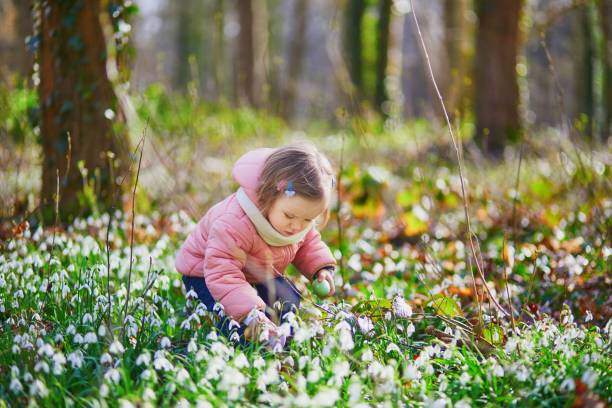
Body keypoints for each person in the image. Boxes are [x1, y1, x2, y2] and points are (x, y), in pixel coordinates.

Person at [175, 142, 337, 346]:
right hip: (208, 275)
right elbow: (223, 275)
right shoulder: (233, 223)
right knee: (236, 326)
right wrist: (252, 314)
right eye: (289, 216)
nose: (297, 226)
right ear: (269, 196)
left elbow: (308, 242)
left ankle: (284, 342)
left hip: (256, 270)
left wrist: (321, 269)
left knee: (289, 302)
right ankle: (245, 347)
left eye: (308, 219)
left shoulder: (296, 219)